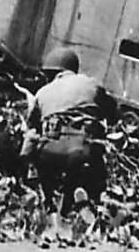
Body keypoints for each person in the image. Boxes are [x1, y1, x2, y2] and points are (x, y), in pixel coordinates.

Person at [21, 46, 116, 214]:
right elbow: (112, 112)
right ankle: (90, 202)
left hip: (49, 150)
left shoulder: (42, 92)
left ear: (52, 73)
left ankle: (48, 201)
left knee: (43, 164)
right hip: (82, 147)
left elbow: (32, 126)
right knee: (95, 172)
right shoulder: (91, 84)